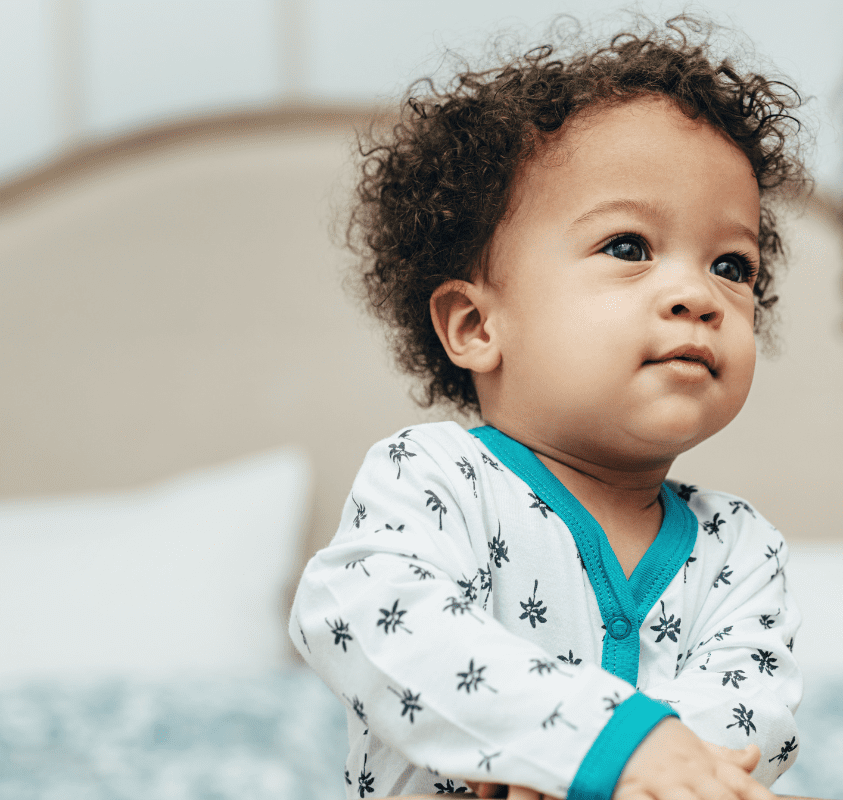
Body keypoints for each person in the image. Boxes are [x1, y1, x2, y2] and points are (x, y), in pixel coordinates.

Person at [290, 19, 810, 800]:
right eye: (629, 247)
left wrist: (643, 769)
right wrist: (592, 743)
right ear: (477, 326)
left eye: (730, 265)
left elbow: (750, 716)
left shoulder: (739, 548)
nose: (698, 296)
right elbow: (368, 618)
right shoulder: (433, 480)